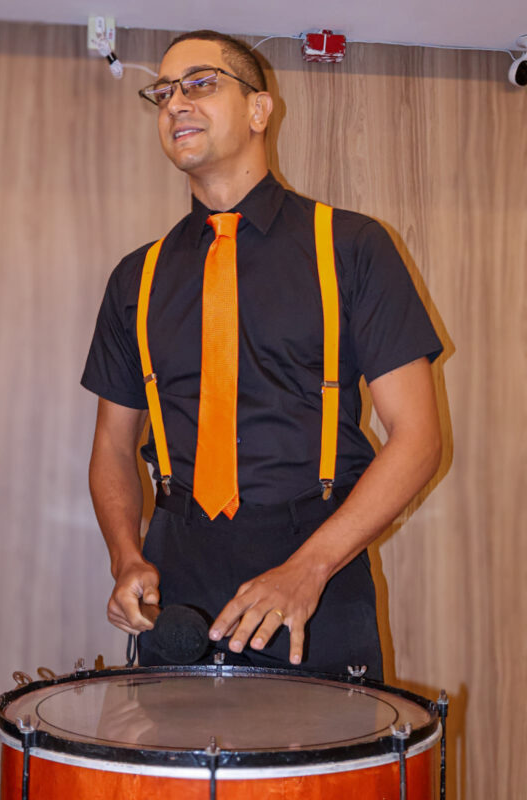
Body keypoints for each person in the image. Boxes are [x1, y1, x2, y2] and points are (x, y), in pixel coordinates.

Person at [82, 30, 443, 680]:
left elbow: (417, 438)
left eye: (200, 84)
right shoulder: (137, 278)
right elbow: (112, 445)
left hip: (317, 575)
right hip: (179, 586)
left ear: (258, 109)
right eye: (163, 93)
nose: (175, 103)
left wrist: (310, 568)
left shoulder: (352, 248)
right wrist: (126, 556)